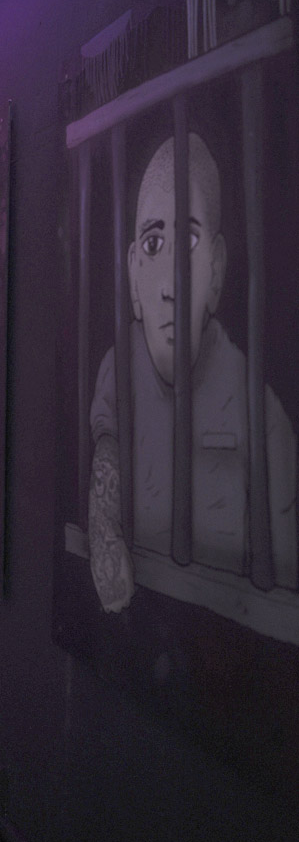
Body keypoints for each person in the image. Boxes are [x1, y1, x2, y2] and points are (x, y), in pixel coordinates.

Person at [88, 133, 297, 613]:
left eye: (189, 241)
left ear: (217, 270)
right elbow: (104, 477)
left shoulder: (262, 417)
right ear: (133, 274)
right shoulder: (119, 368)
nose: (169, 284)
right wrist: (104, 540)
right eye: (154, 244)